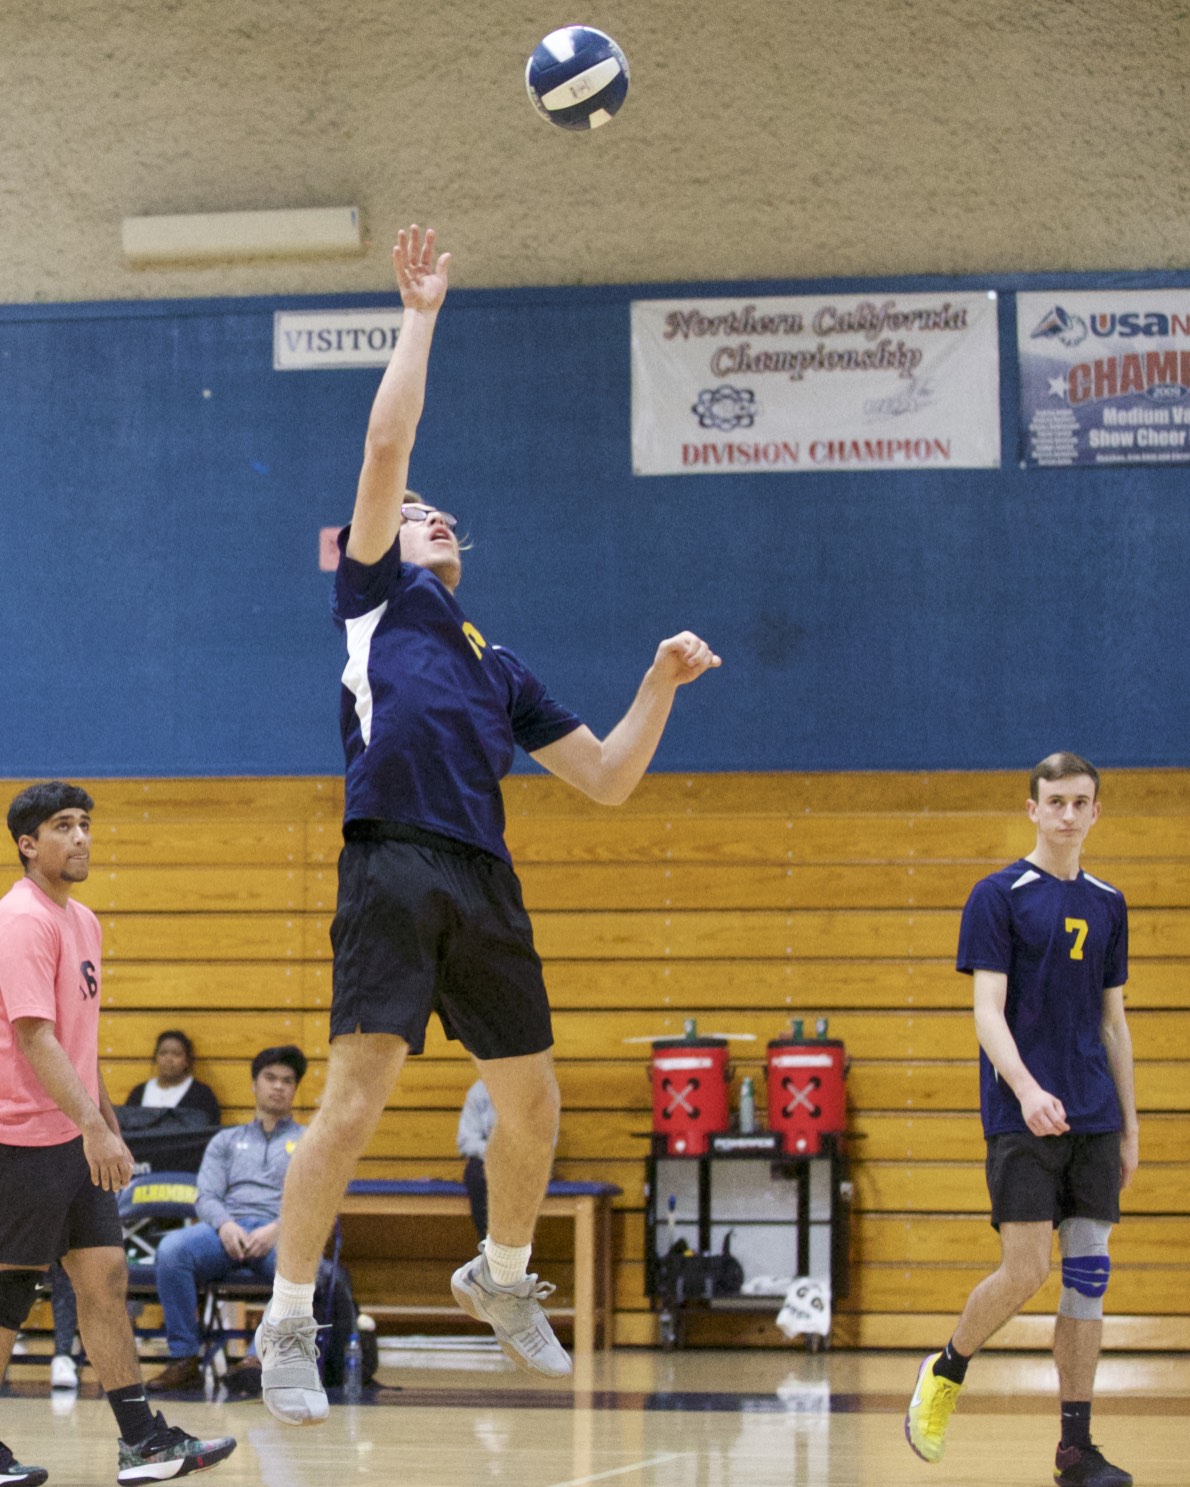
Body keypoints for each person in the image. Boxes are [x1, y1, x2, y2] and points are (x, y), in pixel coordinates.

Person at [256, 224, 721, 1426]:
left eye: (441, 514)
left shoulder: (496, 661)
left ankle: (500, 1275)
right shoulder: (373, 599)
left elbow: (606, 777)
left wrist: (656, 685)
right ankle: (288, 1319)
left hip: (483, 878)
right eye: (416, 512)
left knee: (535, 1106)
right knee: (354, 1103)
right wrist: (419, 317)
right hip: (391, 861)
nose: (432, 515)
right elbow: (387, 443)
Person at [905, 753, 1137, 1487]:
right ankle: (947, 1367)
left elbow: (1114, 1023)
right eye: (1055, 801)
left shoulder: (1109, 902)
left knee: (1088, 1274)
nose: (1068, 814)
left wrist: (1130, 1127)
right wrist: (1029, 1090)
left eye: (1080, 802)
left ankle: (1076, 1448)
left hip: (1094, 1115)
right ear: (1032, 808)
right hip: (1021, 1115)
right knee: (1027, 1270)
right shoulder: (998, 895)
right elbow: (987, 1012)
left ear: (1096, 811)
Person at [0, 781, 236, 1486]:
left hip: (73, 1139)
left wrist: (107, 1125)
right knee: (10, 1292)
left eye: (85, 823)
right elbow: (35, 1037)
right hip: (19, 1137)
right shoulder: (21, 919)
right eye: (62, 826)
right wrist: (91, 1126)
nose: (80, 836)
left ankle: (144, 1442)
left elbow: (80, 1043)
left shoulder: (84, 921)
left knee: (104, 1277)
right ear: (27, 844)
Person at [146, 1045, 307, 1393]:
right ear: (254, 1085)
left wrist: (278, 1229)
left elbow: (316, 1201)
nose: (278, 1086)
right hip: (227, 1231)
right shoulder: (226, 1140)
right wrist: (225, 1225)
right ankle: (184, 1358)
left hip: (281, 1234)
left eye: (287, 1081)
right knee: (172, 1250)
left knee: (304, 1268)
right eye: (270, 1078)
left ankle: (256, 1361)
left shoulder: (310, 1142)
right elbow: (205, 1196)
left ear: (295, 1089)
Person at [124, 1031, 222, 1126]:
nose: (169, 1059)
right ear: (156, 1058)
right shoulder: (138, 1093)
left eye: (176, 1054)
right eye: (163, 1053)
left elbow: (211, 1132)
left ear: (187, 1061)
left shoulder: (202, 1095)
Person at [457, 1079, 496, 1239]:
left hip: (524, 1163)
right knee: (475, 1173)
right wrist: (496, 1153)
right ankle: (487, 1242)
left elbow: (546, 1141)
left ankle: (516, 1246)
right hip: (490, 1160)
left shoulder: (536, 1088)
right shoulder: (480, 1090)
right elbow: (466, 1140)